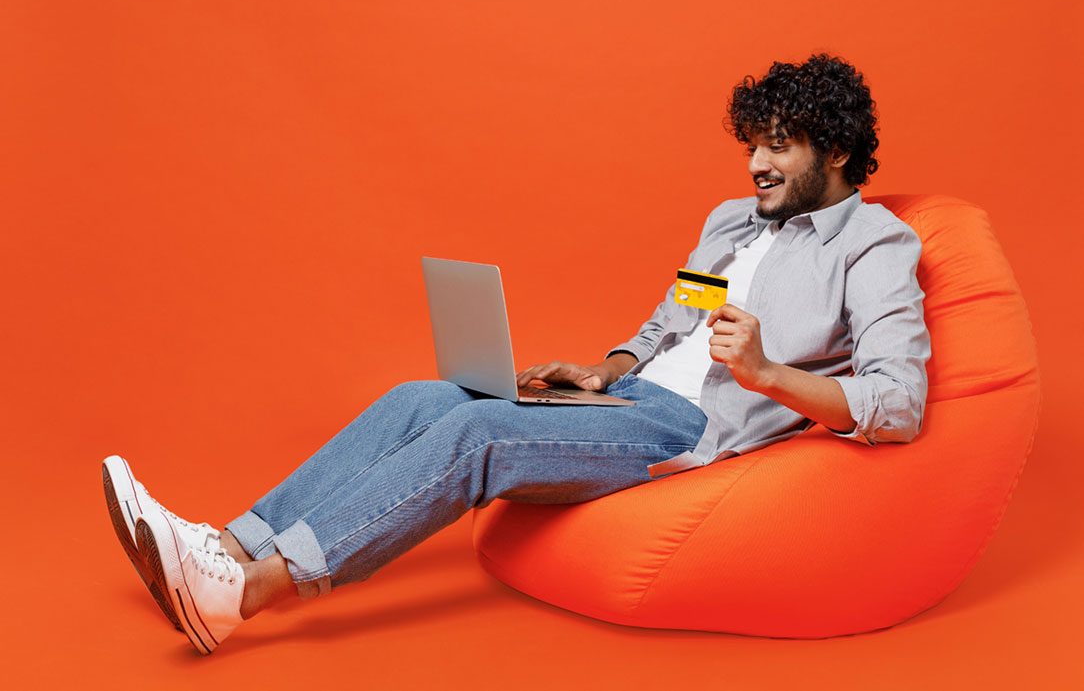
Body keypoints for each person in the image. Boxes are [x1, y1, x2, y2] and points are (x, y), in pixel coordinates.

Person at [103, 53, 930, 655]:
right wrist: (606, 367)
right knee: (425, 397)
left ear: (841, 152)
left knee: (479, 436)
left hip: (690, 434)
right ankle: (226, 543)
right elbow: (670, 320)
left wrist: (768, 375)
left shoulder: (875, 245)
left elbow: (898, 402)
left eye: (780, 147)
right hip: (631, 401)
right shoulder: (731, 223)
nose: (756, 163)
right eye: (753, 143)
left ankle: (246, 594)